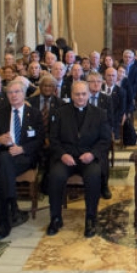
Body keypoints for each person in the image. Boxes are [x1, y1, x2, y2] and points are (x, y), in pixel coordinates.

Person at [47, 81, 112, 238]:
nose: (81, 97)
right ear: (71, 95)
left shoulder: (100, 114)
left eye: (84, 94)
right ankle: (55, 218)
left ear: (89, 94)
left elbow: (105, 140)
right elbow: (53, 139)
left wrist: (92, 154)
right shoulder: (60, 113)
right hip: (66, 157)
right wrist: (62, 154)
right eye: (77, 94)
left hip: (88, 158)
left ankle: (91, 218)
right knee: (55, 176)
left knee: (93, 176)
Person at [0, 79, 44, 240]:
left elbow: (40, 140)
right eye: (10, 92)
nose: (14, 95)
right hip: (4, 156)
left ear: (24, 94)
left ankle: (8, 213)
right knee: (4, 160)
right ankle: (9, 210)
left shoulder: (34, 114)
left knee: (2, 166)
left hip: (25, 158)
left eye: (17, 92)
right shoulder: (0, 113)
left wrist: (23, 148)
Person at [86, 72, 114, 199]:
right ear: (87, 83)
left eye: (98, 81)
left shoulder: (106, 99)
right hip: (83, 135)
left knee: (102, 156)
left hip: (101, 135)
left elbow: (110, 120)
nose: (96, 84)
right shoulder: (82, 97)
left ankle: (104, 185)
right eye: (92, 81)